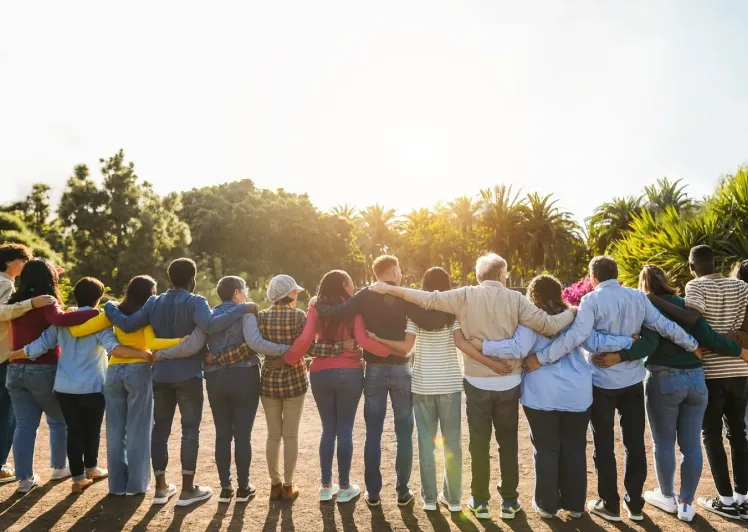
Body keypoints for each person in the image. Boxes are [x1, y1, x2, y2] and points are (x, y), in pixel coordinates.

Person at [369, 253, 576, 520]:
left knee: (478, 444)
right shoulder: (516, 299)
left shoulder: (465, 295)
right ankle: (510, 503)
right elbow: (548, 325)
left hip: (475, 382)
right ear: (502, 275)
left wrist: (389, 288)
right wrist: (572, 312)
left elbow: (428, 298)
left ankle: (479, 501)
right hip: (508, 382)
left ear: (480, 276)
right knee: (508, 443)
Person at [527, 256, 698, 522]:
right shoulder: (638, 298)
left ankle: (610, 505)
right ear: (616, 274)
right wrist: (690, 343)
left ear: (593, 277)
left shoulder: (591, 301)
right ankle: (636, 505)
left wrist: (542, 358)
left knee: (604, 446)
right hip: (632, 382)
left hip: (601, 383)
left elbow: (577, 337)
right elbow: (665, 326)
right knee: (634, 445)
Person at [478, 275, 633, 520]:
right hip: (577, 393)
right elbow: (595, 342)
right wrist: (629, 341)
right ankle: (575, 505)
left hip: (541, 394)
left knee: (546, 449)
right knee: (574, 449)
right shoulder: (575, 317)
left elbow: (517, 347)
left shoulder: (531, 319)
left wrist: (483, 345)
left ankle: (547, 506)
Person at [103, 258, 253, 506]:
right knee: (189, 431)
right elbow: (211, 324)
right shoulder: (196, 301)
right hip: (189, 376)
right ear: (192, 279)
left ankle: (161, 489)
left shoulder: (154, 301)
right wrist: (243, 308)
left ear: (170, 278)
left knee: (160, 430)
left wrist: (109, 306)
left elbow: (128, 323)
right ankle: (187, 490)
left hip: (160, 375)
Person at [314, 255, 453, 508]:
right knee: (403, 433)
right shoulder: (403, 295)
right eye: (399, 268)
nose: (400, 272)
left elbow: (338, 313)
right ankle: (402, 491)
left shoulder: (365, 295)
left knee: (373, 433)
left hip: (374, 371)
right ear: (393, 270)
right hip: (402, 370)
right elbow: (427, 319)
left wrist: (316, 305)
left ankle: (374, 493)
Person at [10, 277, 156, 493]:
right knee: (92, 430)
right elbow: (113, 348)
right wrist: (145, 354)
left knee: (74, 430)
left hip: (64, 386)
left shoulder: (63, 321)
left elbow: (40, 345)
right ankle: (92, 468)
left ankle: (78, 477)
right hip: (92, 386)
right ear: (99, 298)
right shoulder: (98, 321)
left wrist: (13, 355)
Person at [630, 265, 748, 522]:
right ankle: (686, 504)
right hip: (696, 379)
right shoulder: (687, 305)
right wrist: (739, 351)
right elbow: (709, 337)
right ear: (666, 281)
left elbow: (647, 343)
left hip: (663, 380)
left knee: (663, 443)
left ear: (644, 286)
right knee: (691, 445)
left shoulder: (647, 307)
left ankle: (666, 496)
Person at [368, 267, 489, 513]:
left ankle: (430, 499)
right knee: (453, 444)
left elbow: (405, 349)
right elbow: (460, 343)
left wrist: (378, 339)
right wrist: (490, 358)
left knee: (426, 444)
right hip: (450, 386)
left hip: (423, 386)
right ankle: (454, 500)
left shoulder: (415, 316)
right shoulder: (453, 314)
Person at [68, 275, 182, 496]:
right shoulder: (147, 316)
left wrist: (71, 314)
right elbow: (151, 343)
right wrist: (181, 341)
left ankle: (117, 487)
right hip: (138, 371)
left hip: (113, 373)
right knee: (139, 430)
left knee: (115, 430)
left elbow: (78, 330)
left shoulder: (113, 312)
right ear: (150, 293)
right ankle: (137, 486)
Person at [281, 270, 374, 503]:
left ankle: (325, 486)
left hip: (320, 373)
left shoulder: (315, 309)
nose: (353, 287)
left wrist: (289, 359)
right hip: (350, 373)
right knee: (345, 430)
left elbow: (305, 341)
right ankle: (344, 487)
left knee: (327, 430)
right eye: (351, 283)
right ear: (344, 284)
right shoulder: (354, 308)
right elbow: (362, 340)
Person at [6, 259, 99, 492]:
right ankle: (59, 467)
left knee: (24, 426)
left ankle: (25, 480)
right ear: (50, 279)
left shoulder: (17, 301)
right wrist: (98, 311)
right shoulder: (47, 301)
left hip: (15, 369)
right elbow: (60, 320)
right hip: (42, 368)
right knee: (60, 421)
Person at [0, 243, 56, 484]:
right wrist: (31, 303)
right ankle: (1, 465)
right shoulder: (5, 283)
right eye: (24, 261)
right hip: (6, 355)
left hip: (8, 358)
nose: (25, 266)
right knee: (9, 415)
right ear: (11, 261)